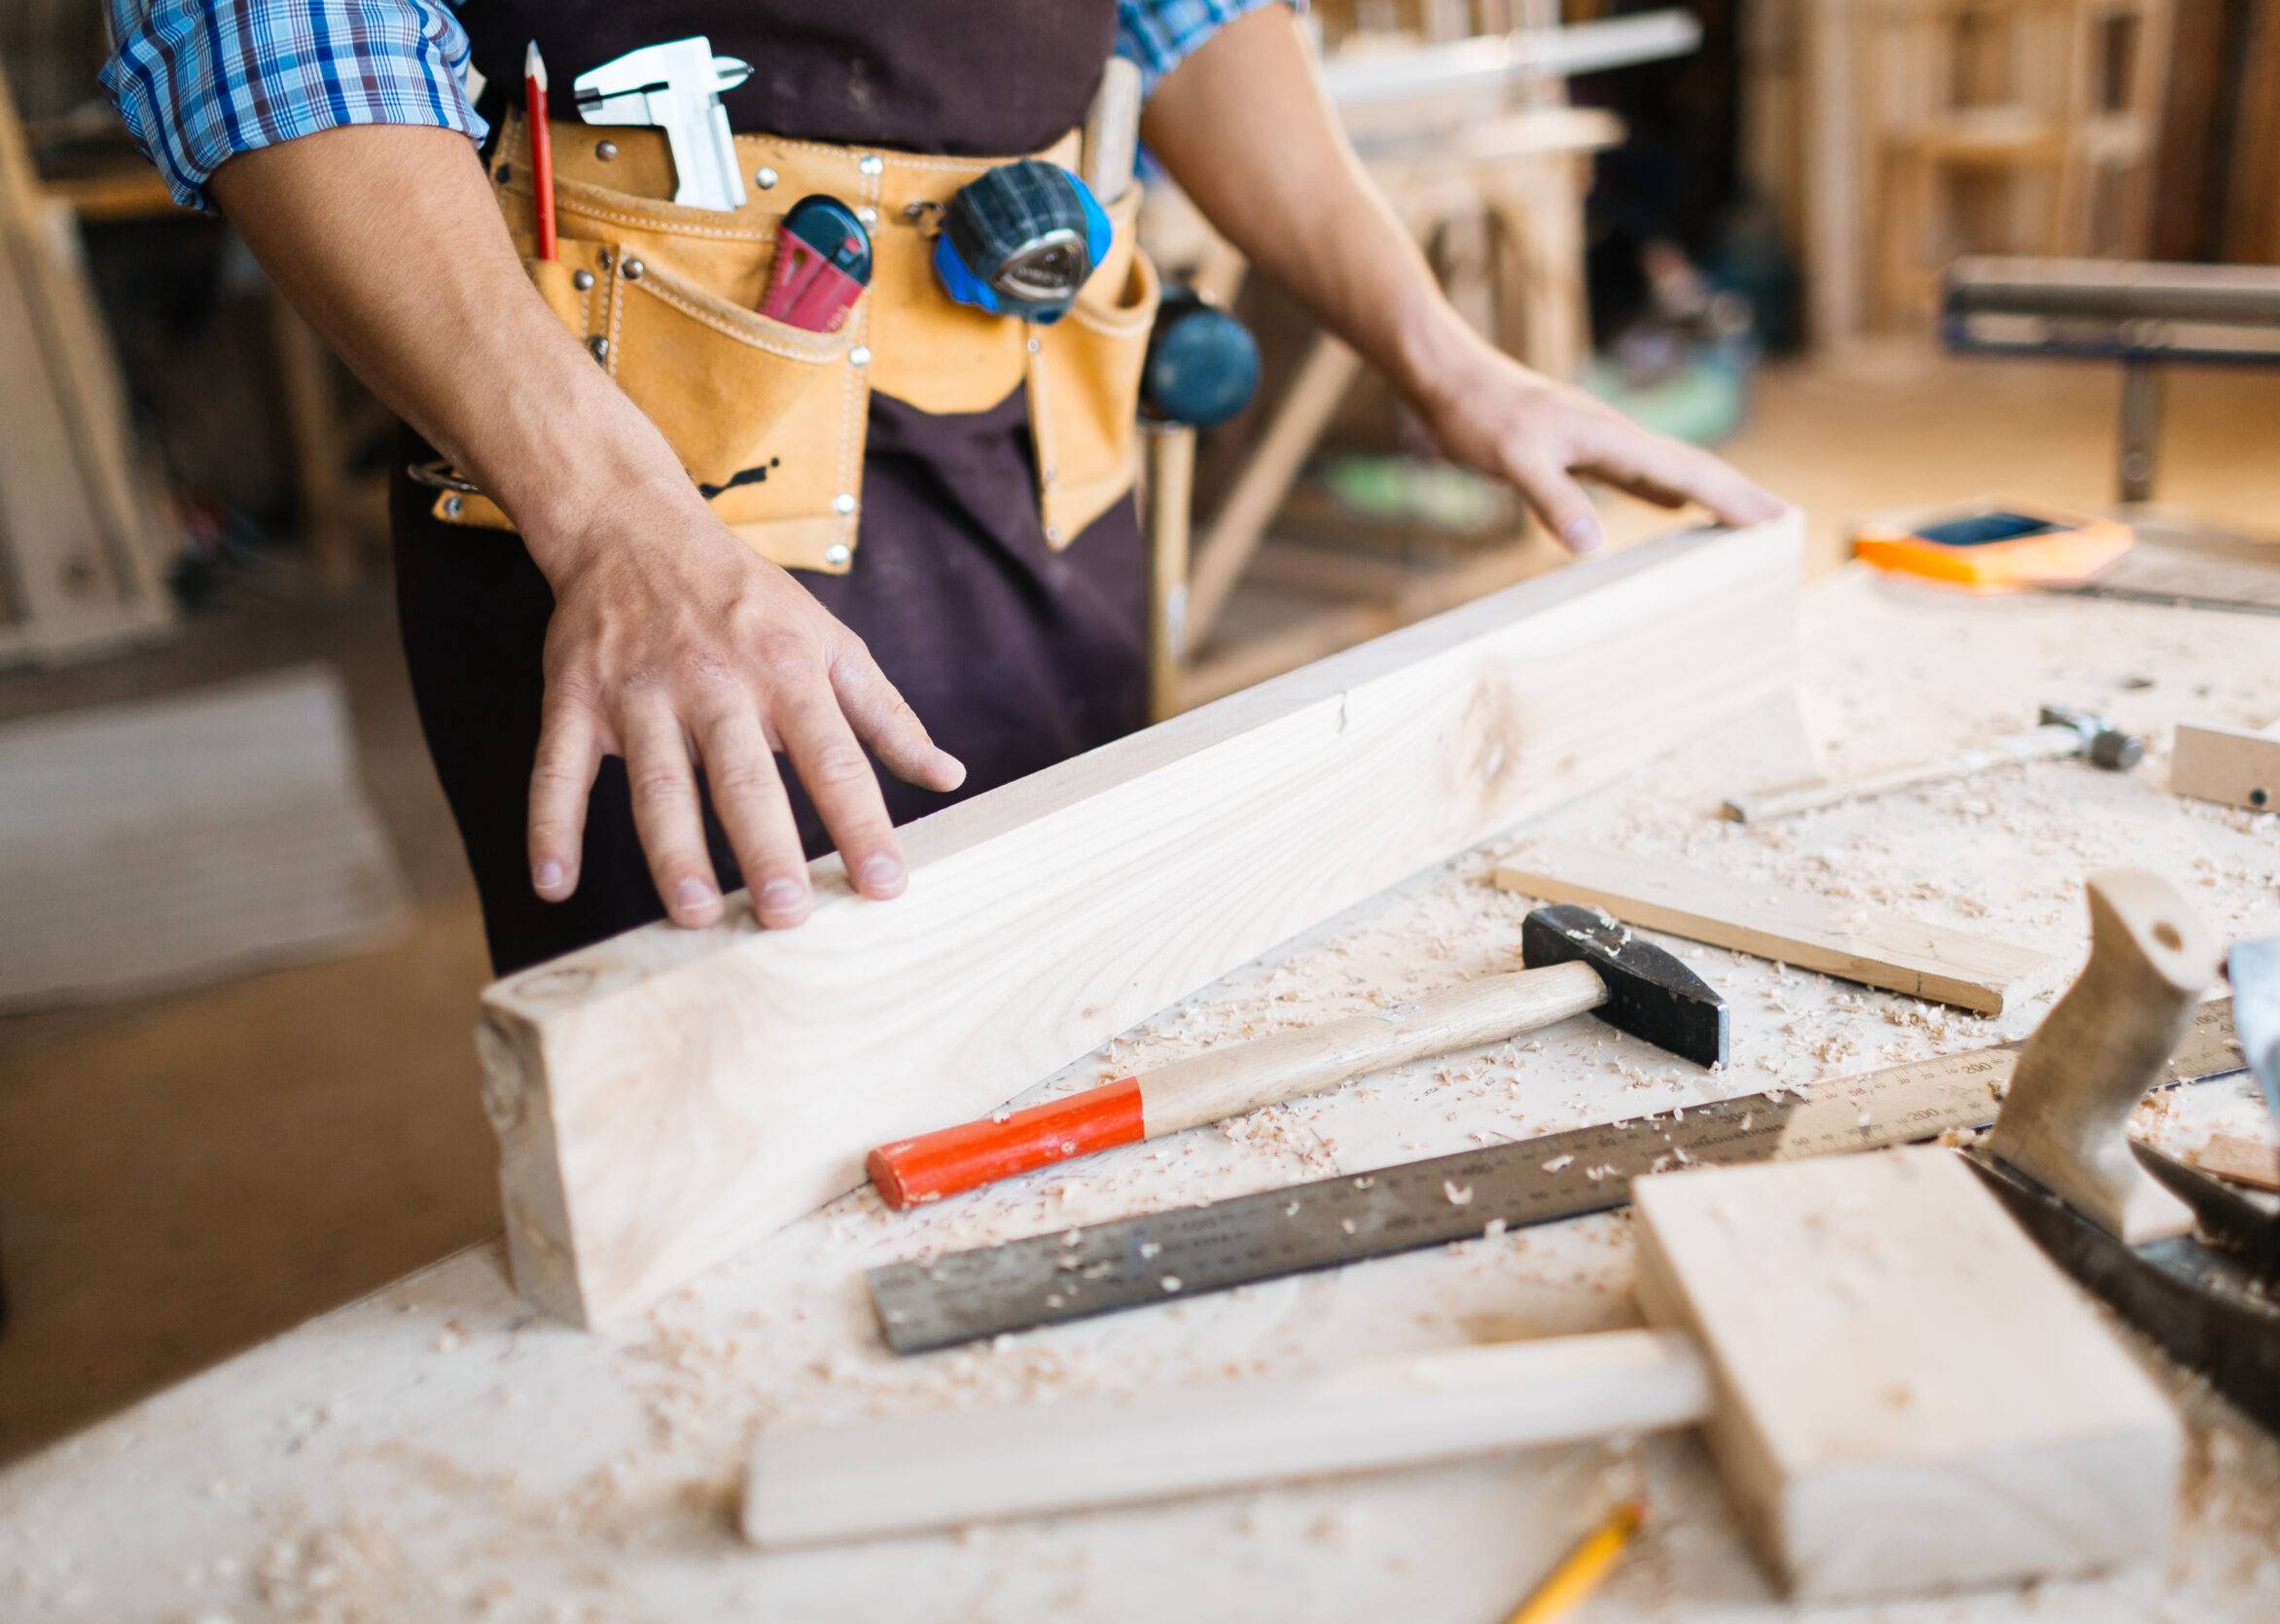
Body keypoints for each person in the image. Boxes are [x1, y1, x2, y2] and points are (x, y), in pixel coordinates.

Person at [104, 0, 1785, 976]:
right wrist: (618, 519)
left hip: (1034, 442)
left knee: (1080, 987)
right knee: (756, 1087)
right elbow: (279, 39)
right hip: (653, 502)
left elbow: (1187, 13)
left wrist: (1445, 353)